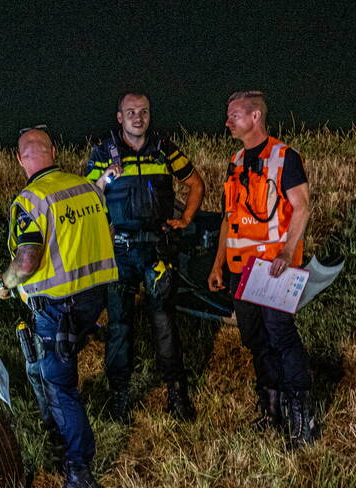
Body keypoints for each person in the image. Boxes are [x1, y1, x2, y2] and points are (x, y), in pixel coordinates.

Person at [0, 127, 117, 488]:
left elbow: (27, 259)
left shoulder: (31, 200)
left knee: (62, 389)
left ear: (19, 158)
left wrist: (7, 284)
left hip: (58, 308)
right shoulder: (85, 188)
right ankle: (59, 441)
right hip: (93, 300)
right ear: (53, 151)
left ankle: (79, 475)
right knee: (57, 379)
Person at [84, 91, 205, 424]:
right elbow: (88, 199)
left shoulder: (165, 149)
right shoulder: (101, 154)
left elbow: (196, 183)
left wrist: (186, 220)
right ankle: (119, 399)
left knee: (165, 324)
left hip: (156, 252)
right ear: (120, 117)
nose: (138, 117)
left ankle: (177, 395)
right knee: (119, 328)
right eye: (131, 112)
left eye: (144, 112)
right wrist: (107, 176)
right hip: (119, 253)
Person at [207, 90, 315, 446]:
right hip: (241, 271)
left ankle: (301, 415)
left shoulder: (284, 157)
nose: (227, 122)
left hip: (273, 270)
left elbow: (301, 207)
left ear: (255, 117)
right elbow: (229, 217)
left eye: (234, 115)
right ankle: (272, 410)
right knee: (255, 340)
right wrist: (218, 263)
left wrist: (286, 252)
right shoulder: (235, 161)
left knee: (280, 336)